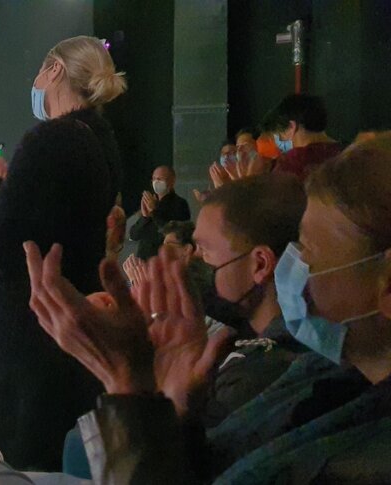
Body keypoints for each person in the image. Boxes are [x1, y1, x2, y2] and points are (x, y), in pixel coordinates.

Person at [28, 136, 391, 483]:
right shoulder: (330, 374)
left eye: (308, 250)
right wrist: (173, 411)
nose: (293, 267)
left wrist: (127, 389)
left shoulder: (366, 461)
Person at [0, 35, 126, 470]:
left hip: (30, 345)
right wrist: (3, 182)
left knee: (20, 463)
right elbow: (43, 226)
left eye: (40, 71)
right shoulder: (98, 140)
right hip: (66, 327)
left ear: (55, 70)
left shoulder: (50, 140)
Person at [265, 93, 343, 180]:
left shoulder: (290, 164)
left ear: (291, 127)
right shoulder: (346, 154)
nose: (279, 142)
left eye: (280, 135)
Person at [129, 165, 191, 260]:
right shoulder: (150, 202)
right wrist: (145, 217)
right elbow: (134, 235)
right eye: (154, 179)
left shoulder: (180, 204)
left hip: (164, 261)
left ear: (172, 181)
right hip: (143, 261)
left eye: (160, 179)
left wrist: (154, 212)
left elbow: (173, 233)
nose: (156, 182)